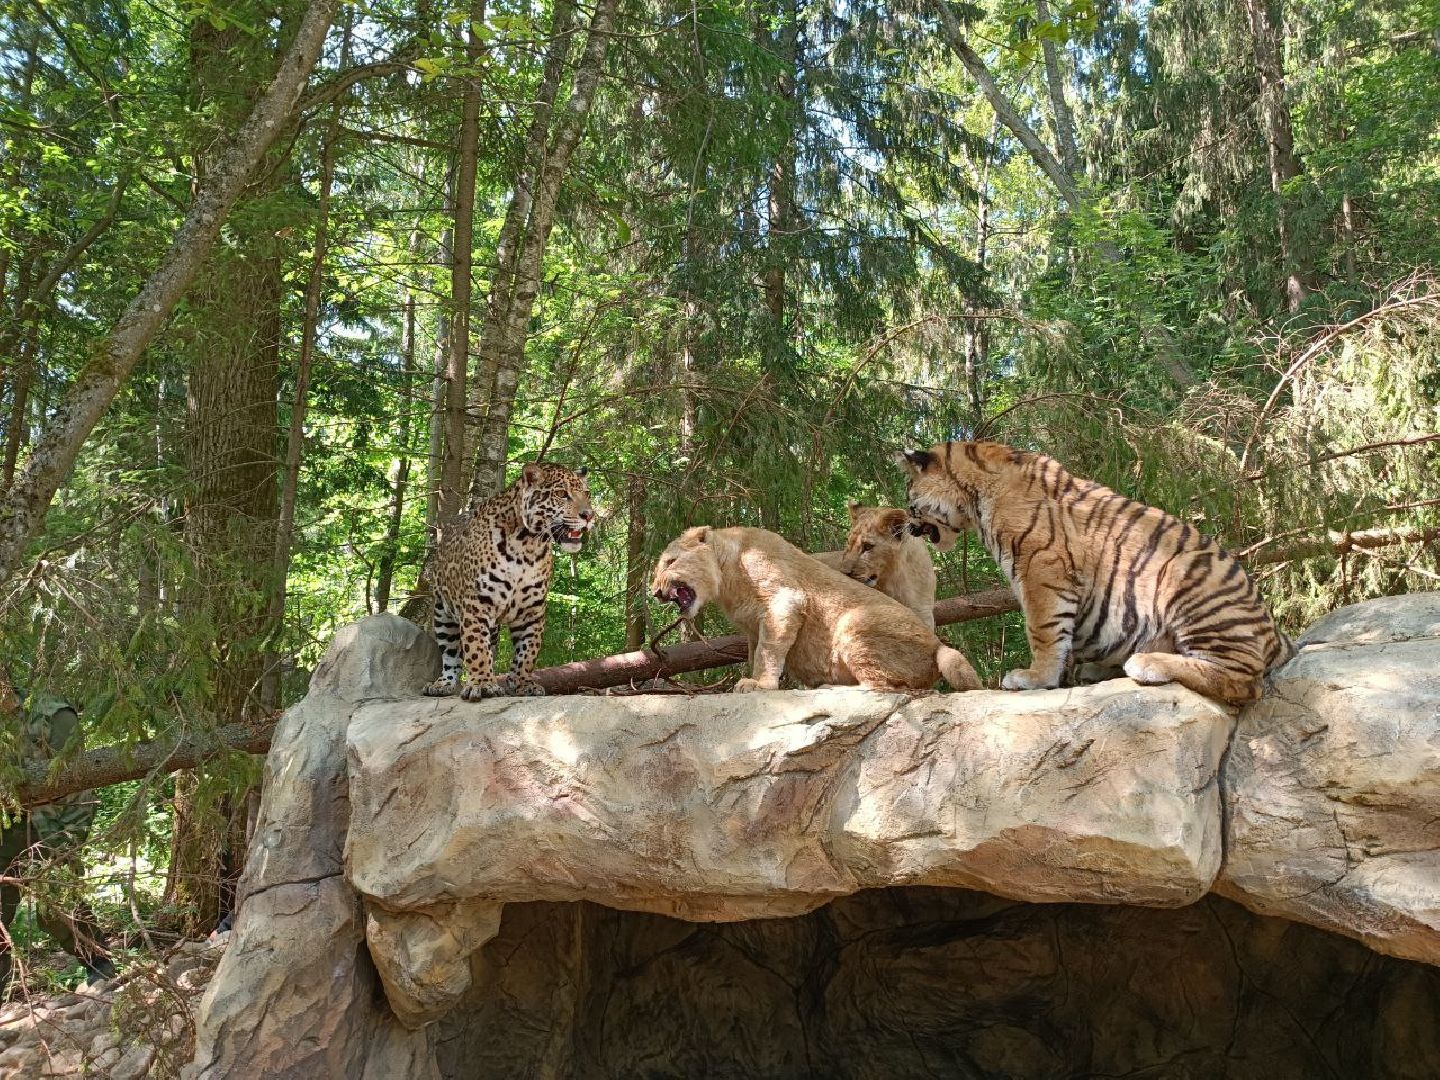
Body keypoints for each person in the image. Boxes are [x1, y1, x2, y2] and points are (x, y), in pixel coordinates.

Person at [1, 682, 115, 996]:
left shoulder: (52, 715)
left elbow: (81, 787)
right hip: (4, 828)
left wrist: (68, 841)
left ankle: (100, 966)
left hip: (49, 825)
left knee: (55, 910)